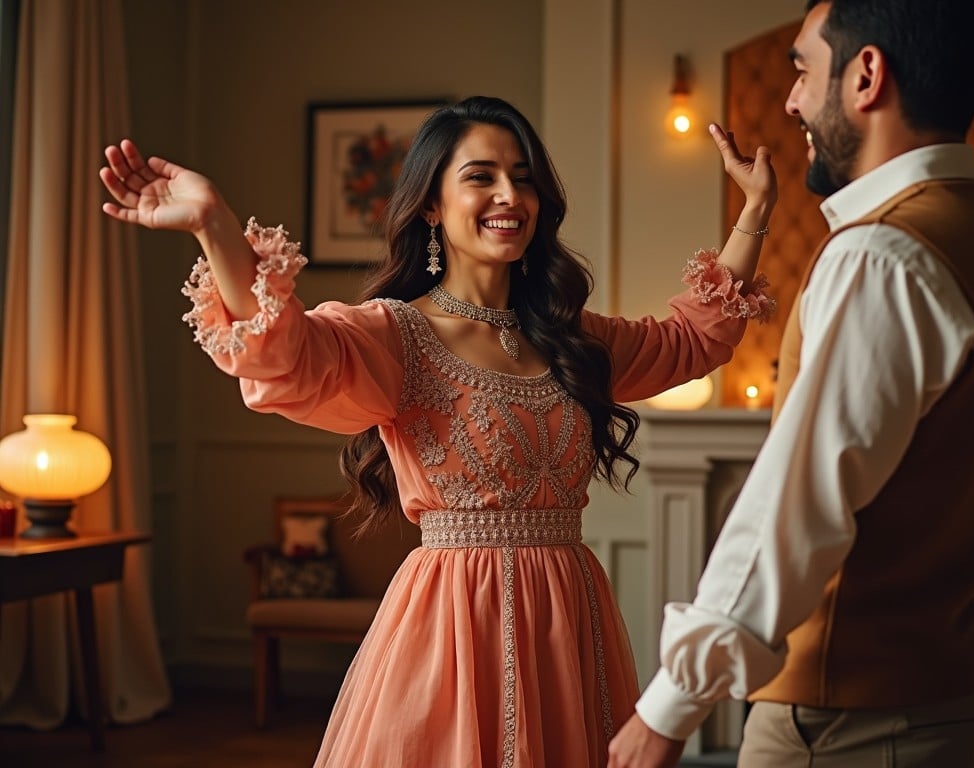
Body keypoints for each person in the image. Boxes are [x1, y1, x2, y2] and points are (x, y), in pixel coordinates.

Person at [100, 95, 777, 767]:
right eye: (481, 176)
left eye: (524, 176)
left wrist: (754, 213)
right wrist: (214, 224)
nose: (509, 194)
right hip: (452, 628)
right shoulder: (397, 336)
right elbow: (286, 355)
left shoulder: (572, 339)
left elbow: (692, 340)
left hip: (572, 620)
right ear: (431, 203)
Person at [609, 1, 974, 766]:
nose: (793, 98)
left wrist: (667, 710)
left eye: (803, 67)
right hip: (957, 699)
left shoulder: (882, 257)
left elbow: (792, 508)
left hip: (851, 726)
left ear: (866, 75)